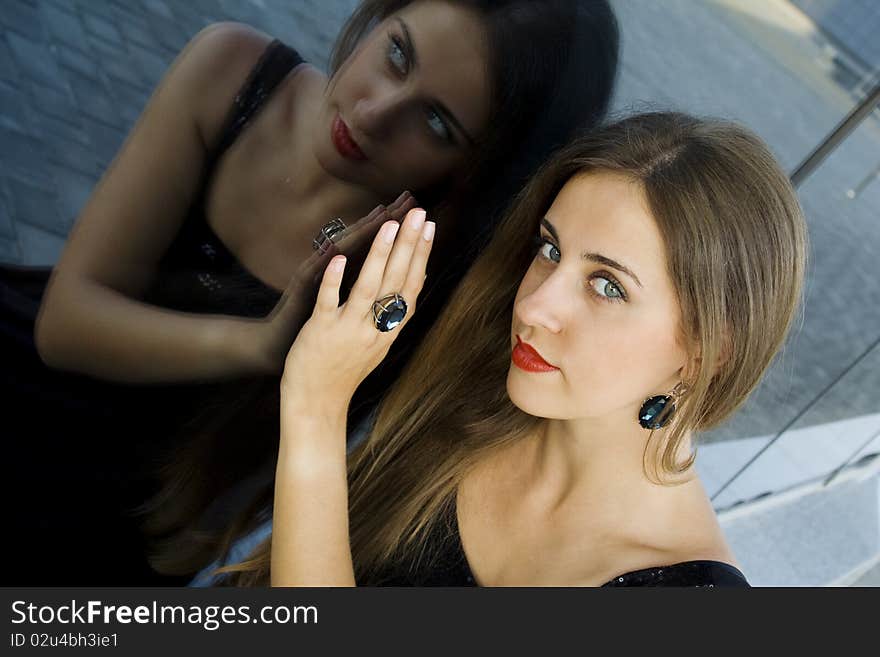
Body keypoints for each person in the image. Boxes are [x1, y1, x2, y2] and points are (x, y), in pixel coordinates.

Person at [3, 0, 620, 584]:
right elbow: (64, 326)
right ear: (381, 15)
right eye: (397, 56)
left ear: (478, 175)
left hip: (132, 530)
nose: (375, 113)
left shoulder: (422, 290)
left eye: (436, 123)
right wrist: (264, 345)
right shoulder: (233, 74)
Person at [196, 111, 807, 587]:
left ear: (707, 352)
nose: (535, 307)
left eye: (607, 286)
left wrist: (316, 409)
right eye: (550, 249)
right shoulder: (478, 403)